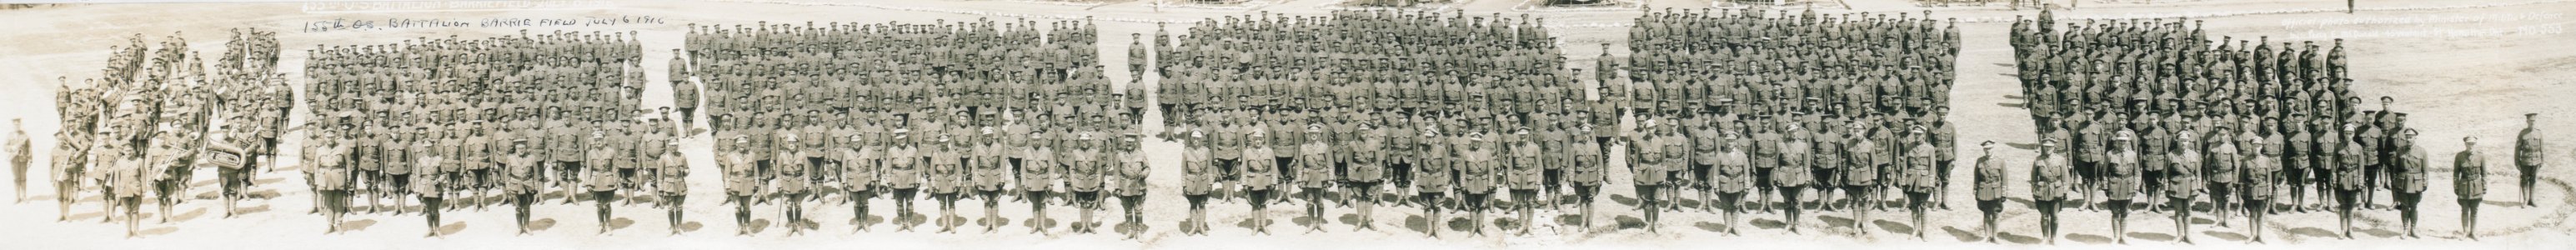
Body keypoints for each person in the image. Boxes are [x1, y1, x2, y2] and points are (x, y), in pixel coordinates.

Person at [2032, 138, 2072, 244]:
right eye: (2046, 147)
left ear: (2054, 147)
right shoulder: (2038, 160)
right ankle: (2045, 237)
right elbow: (2034, 178)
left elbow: (2066, 177)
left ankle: (2053, 237)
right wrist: (2035, 191)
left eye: (2050, 147)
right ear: (2043, 147)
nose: (2048, 148)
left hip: (2056, 190)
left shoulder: (2060, 160)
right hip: (2043, 190)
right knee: (2044, 216)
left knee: (2055, 216)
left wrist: (2065, 190)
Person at [1972, 141, 2007, 242]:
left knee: (1996, 213)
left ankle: (1995, 236)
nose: (1988, 151)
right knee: (1986, 214)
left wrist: (2004, 194)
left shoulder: (2000, 161)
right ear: (1984, 150)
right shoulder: (1980, 161)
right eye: (1986, 149)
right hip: (1983, 191)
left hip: (1996, 192)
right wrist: (1976, 192)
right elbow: (1976, 178)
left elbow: (2004, 179)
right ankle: (1987, 236)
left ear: (1993, 149)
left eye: (1990, 148)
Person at [2456, 136, 2489, 240]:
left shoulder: (2481, 156)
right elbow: (2456, 174)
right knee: (2465, 210)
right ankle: (2466, 231)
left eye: (2473, 144)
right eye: (2469, 144)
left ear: (2476, 144)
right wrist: (2456, 187)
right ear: (2465, 144)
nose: (2471, 146)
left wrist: (2484, 187)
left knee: (2475, 210)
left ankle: (2473, 232)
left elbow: (2484, 173)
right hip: (2464, 186)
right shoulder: (2460, 156)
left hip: (2477, 186)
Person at [657, 140, 689, 235]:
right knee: (670, 208)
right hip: (669, 186)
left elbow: (687, 169)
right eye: (672, 145)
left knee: (679, 207)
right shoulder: (664, 158)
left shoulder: (682, 156)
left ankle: (679, 227)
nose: (675, 147)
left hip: (680, 184)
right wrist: (660, 188)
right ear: (669, 146)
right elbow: (660, 175)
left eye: (676, 145)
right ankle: (672, 227)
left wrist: (684, 172)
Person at [2515, 113, 2542, 208]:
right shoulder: (2522, 133)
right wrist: (2517, 162)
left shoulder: (2539, 133)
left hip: (2536, 161)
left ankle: (2532, 199)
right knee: (2525, 180)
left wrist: (2542, 160)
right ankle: (2526, 200)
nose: (2532, 123)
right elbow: (2517, 149)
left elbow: (2542, 148)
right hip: (2525, 162)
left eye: (2534, 121)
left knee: (2533, 180)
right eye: (2530, 121)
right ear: (2527, 121)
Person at [8, 118, 28, 202]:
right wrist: (12, 148)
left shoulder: (25, 135)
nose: (17, 126)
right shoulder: (10, 135)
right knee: (16, 178)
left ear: (20, 125)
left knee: (23, 178)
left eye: (18, 124)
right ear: (13, 125)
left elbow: (29, 148)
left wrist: (30, 159)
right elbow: (4, 146)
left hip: (23, 160)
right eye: (15, 125)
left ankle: (24, 196)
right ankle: (17, 197)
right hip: (14, 160)